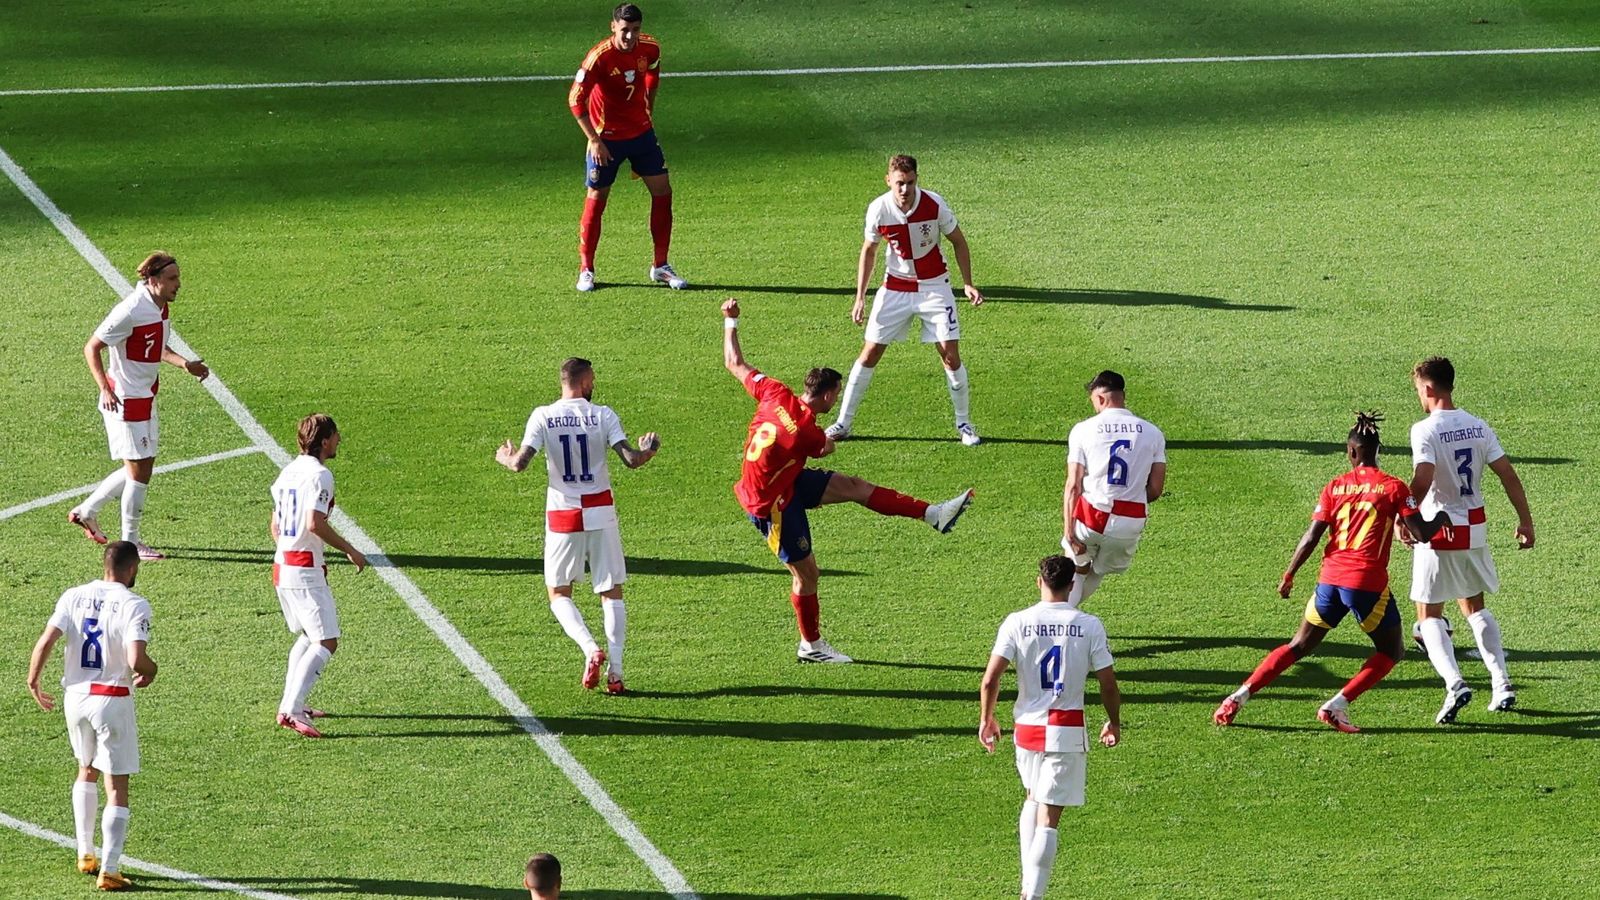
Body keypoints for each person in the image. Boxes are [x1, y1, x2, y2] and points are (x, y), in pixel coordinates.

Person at [722, 299, 973, 662]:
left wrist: (730, 321)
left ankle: (933, 514)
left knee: (854, 486)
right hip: (769, 503)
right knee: (808, 575)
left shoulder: (775, 392)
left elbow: (735, 363)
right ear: (826, 395)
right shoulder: (806, 431)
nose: (836, 399)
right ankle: (811, 646)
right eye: (836, 395)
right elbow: (825, 447)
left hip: (784, 481)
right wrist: (827, 436)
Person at [1213, 412, 1451, 732]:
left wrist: (1289, 574)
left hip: (1329, 581)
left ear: (1351, 452)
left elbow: (1311, 537)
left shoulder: (1334, 487)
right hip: (1366, 583)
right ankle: (1336, 706)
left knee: (1297, 645)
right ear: (1378, 451)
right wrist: (1443, 518)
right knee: (1391, 650)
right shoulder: (1393, 487)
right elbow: (1420, 533)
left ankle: (1237, 697)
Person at [497, 358, 660, 693]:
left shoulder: (543, 416)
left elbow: (520, 464)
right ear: (584, 381)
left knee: (558, 593)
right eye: (592, 380)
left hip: (563, 514)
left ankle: (589, 648)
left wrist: (504, 458)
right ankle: (616, 673)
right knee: (610, 590)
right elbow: (631, 460)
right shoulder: (603, 415)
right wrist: (650, 449)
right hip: (601, 510)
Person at [979, 556, 1121, 900]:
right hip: (1066, 729)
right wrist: (1114, 721)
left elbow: (990, 679)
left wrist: (987, 718)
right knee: (1049, 818)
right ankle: (1034, 895)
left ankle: (1027, 887)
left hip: (1025, 729)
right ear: (1073, 585)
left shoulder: (1017, 621)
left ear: (1038, 582)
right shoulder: (1088, 625)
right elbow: (1107, 683)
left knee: (1032, 798)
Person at [1406, 356, 1534, 722]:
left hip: (1438, 528)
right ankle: (1501, 681)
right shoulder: (1478, 426)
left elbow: (1424, 478)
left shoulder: (1424, 429)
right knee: (1473, 605)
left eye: (1418, 390)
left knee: (1428, 613)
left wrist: (1406, 513)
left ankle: (1455, 684)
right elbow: (1508, 475)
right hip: (1474, 527)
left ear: (1428, 389)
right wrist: (1526, 521)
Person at [826, 154, 985, 445]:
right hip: (895, 288)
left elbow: (959, 241)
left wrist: (968, 283)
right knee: (870, 351)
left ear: (916, 180)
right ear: (889, 180)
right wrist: (860, 297)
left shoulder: (935, 204)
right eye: (899, 183)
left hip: (935, 287)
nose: (904, 190)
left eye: (910, 183)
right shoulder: (878, 209)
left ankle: (964, 424)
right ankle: (843, 423)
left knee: (950, 355)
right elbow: (869, 251)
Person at [26, 541, 157, 892]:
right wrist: (152, 669)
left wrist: (34, 678)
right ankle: (110, 870)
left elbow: (47, 639)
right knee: (117, 786)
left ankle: (85, 852)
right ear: (131, 569)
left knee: (86, 769)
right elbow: (135, 660)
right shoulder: (135, 604)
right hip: (111, 700)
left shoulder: (73, 595)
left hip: (76, 699)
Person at [68, 251, 211, 560]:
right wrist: (104, 388)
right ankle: (130, 544)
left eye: (178, 278)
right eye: (172, 279)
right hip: (125, 399)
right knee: (139, 471)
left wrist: (186, 364)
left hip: (146, 395)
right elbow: (91, 347)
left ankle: (87, 511)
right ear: (154, 280)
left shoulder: (161, 308)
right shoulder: (130, 310)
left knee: (141, 466)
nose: (178, 284)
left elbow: (156, 348)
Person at [568, 3, 686, 293]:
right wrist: (594, 140)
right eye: (624, 30)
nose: (630, 37)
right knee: (597, 197)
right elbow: (575, 100)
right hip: (606, 140)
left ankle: (660, 266)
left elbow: (654, 73)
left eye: (635, 30)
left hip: (641, 135)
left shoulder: (650, 48)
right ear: (613, 27)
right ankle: (586, 269)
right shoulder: (600, 58)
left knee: (663, 191)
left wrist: (649, 105)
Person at [270, 413, 367, 738]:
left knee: (309, 636)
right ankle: (292, 710)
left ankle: (291, 701)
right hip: (303, 569)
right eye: (336, 435)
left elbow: (275, 525)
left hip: (283, 564)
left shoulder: (287, 472)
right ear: (324, 441)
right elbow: (314, 523)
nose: (339, 439)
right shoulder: (320, 476)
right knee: (326, 640)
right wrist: (350, 549)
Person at [1060, 371, 1166, 607]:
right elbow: (1156, 490)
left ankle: (1061, 619)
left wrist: (1068, 532)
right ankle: (1068, 616)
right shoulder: (1153, 432)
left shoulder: (1083, 429)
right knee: (1097, 572)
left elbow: (1073, 485)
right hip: (1130, 521)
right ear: (1123, 396)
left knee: (1075, 565)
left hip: (1092, 516)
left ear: (1099, 399)